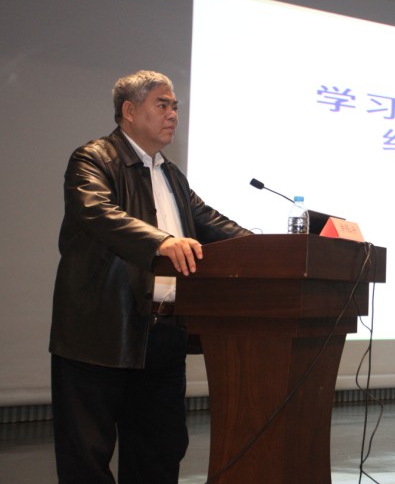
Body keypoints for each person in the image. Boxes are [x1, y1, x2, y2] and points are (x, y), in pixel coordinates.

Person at [49, 70, 253, 483]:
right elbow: (98, 213)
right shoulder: (93, 159)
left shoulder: (171, 174)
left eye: (175, 106)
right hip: (100, 334)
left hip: (163, 334)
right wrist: (162, 241)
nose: (173, 113)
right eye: (162, 104)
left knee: (160, 452)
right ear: (129, 110)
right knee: (86, 457)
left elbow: (213, 224)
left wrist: (274, 249)